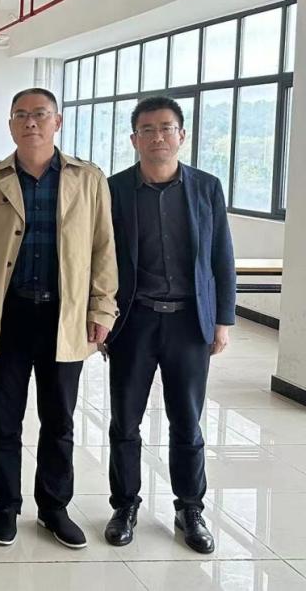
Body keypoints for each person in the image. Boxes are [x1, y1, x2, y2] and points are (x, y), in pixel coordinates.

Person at [0, 88, 118, 550]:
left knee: (59, 420)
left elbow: (104, 249)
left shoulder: (88, 179)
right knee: (4, 420)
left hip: (64, 316)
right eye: (21, 115)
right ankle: (5, 507)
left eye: (40, 115)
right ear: (10, 124)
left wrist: (101, 308)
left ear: (58, 122)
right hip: (9, 314)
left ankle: (53, 508)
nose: (31, 122)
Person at [103, 95, 235, 554]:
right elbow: (101, 258)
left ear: (182, 135)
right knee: (125, 420)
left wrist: (222, 320)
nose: (157, 137)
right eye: (147, 129)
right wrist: (100, 316)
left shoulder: (206, 188)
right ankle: (125, 505)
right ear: (134, 138)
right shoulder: (115, 189)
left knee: (187, 421)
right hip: (132, 321)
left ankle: (190, 509)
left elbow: (221, 257)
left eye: (165, 128)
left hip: (189, 323)